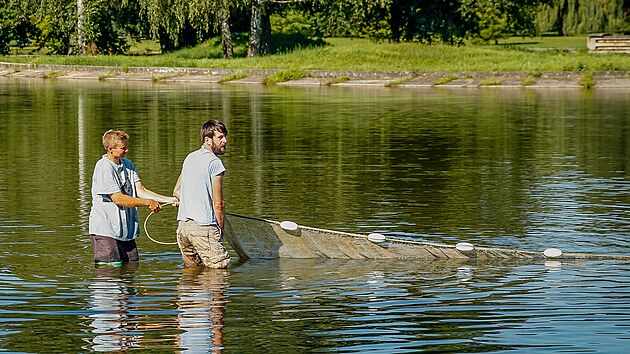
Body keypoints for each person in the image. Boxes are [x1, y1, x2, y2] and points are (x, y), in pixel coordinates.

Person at [89, 129, 178, 265]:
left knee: (132, 266)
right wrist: (148, 203)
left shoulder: (128, 164)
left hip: (126, 231)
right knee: (110, 271)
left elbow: (140, 190)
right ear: (110, 149)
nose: (127, 150)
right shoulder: (103, 167)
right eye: (123, 148)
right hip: (106, 231)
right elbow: (118, 199)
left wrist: (169, 199)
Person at [173, 120, 230, 268]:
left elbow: (177, 191)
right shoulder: (214, 163)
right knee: (220, 271)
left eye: (225, 137)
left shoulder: (190, 158)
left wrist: (190, 202)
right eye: (220, 137)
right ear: (207, 140)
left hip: (183, 228)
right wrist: (220, 231)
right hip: (204, 228)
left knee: (191, 275)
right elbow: (218, 204)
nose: (225, 141)